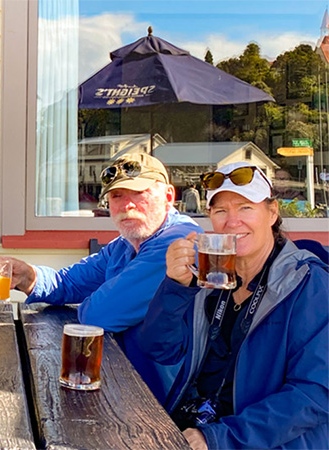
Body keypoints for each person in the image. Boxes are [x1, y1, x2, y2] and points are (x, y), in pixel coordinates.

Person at [138, 162, 328, 450]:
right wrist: (175, 286)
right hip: (194, 427)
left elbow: (313, 395)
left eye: (245, 207)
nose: (232, 221)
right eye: (220, 211)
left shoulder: (310, 284)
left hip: (261, 440)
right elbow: (159, 348)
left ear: (272, 212)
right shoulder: (209, 278)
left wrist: (218, 439)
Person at [1, 153, 203, 402]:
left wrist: (93, 300)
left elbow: (98, 314)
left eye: (138, 193)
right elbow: (69, 282)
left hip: (168, 404)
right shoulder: (124, 245)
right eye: (117, 196)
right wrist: (25, 275)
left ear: (169, 196)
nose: (127, 205)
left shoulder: (180, 240)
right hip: (124, 382)